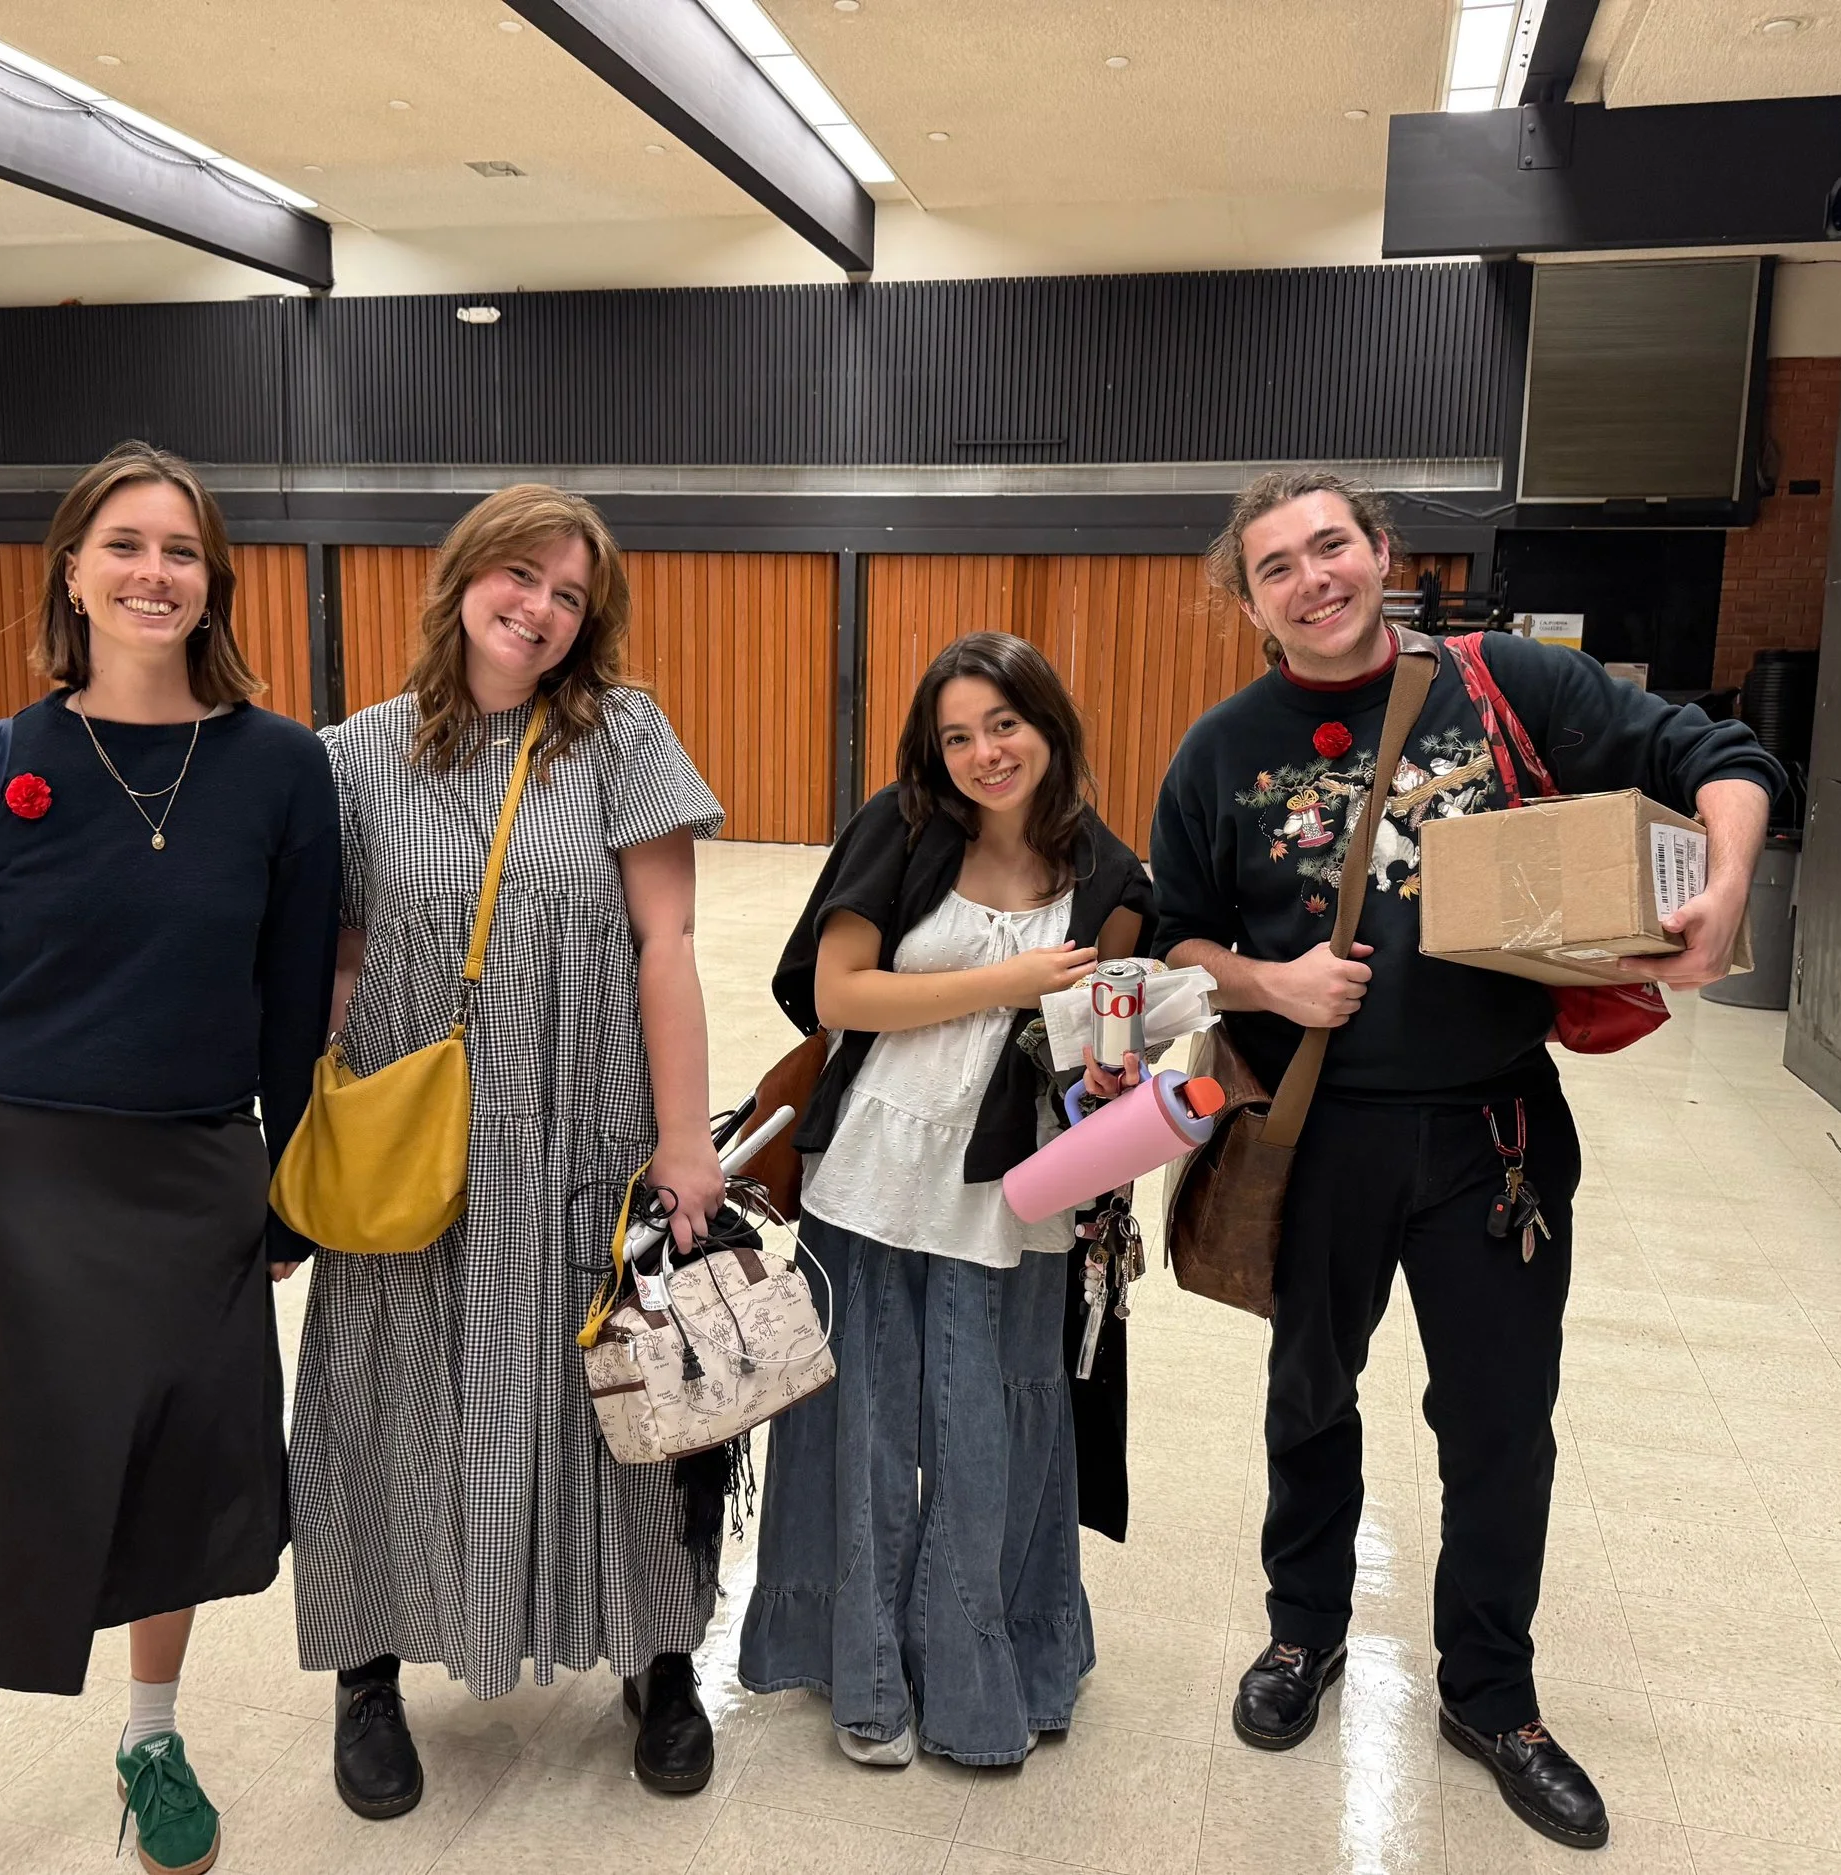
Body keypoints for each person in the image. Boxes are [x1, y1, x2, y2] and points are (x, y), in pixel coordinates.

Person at [1146, 470, 1782, 1852]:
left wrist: (1724, 883)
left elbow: (1724, 756)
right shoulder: (1220, 751)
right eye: (1275, 566)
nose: (1313, 578)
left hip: (1494, 1135)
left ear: (1382, 551)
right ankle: (1303, 1630)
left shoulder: (1509, 685)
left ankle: (1492, 1695)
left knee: (1499, 1422)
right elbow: (1174, 936)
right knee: (1309, 1394)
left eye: (1331, 545)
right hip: (1314, 1134)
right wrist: (1271, 980)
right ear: (1248, 603)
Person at [0, 442, 340, 1875]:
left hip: (204, 1168)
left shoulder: (281, 768)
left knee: (195, 1474)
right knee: (40, 1502)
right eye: (125, 545)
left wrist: (286, 1191)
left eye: (181, 549)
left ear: (214, 582)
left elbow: (291, 1001)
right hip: (26, 1173)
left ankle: (151, 1738)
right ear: (74, 575)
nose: (155, 572)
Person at [290, 484, 728, 1816]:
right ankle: (366, 1670)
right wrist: (329, 1131)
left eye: (569, 594)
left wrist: (685, 1139)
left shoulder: (620, 736)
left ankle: (658, 1656)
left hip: (582, 1123)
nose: (539, 609)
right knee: (384, 1390)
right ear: (464, 575)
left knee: (619, 1392)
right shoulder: (354, 755)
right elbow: (339, 958)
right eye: (520, 576)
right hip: (414, 1142)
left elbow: (666, 944)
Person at [740, 632, 1151, 1768]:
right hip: (873, 1174)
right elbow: (840, 994)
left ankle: (988, 1671)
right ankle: (865, 1674)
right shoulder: (906, 826)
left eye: (1003, 725)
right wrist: (1010, 980)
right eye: (957, 734)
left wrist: (1120, 1067)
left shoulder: (1111, 877)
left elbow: (1099, 1047)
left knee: (994, 1430)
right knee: (864, 1423)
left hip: (1015, 1194)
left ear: (1049, 724)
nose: (984, 753)